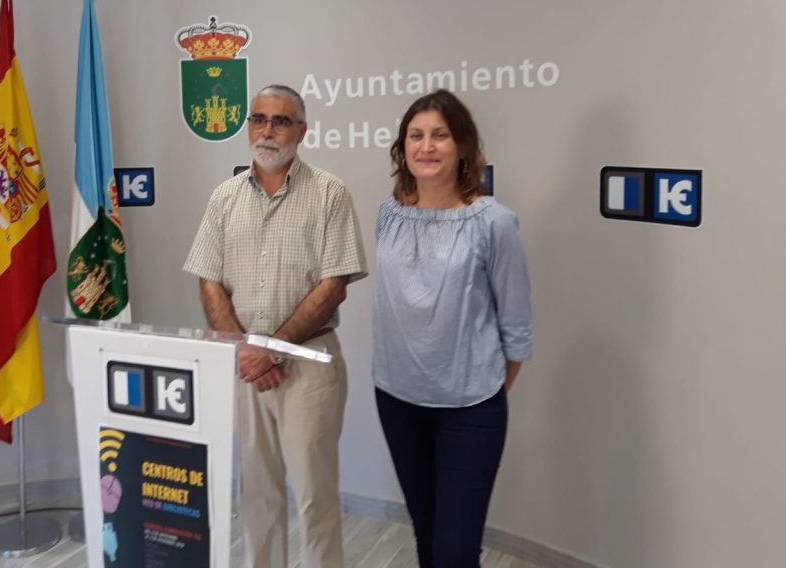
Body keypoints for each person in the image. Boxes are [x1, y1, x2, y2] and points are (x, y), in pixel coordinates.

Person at [183, 84, 367, 568]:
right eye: (259, 119)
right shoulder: (224, 197)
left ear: (301, 131)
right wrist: (247, 350)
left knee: (314, 500)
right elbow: (208, 280)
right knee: (257, 496)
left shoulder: (329, 193)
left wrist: (271, 349)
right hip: (246, 369)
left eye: (281, 121)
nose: (267, 130)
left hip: (308, 368)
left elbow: (334, 286)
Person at [372, 89, 532, 568]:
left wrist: (480, 390)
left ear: (462, 146)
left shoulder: (494, 223)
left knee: (455, 553)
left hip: (469, 410)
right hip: (397, 401)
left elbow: (516, 327)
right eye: (415, 135)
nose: (426, 146)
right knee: (427, 538)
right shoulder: (389, 214)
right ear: (403, 147)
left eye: (440, 135)